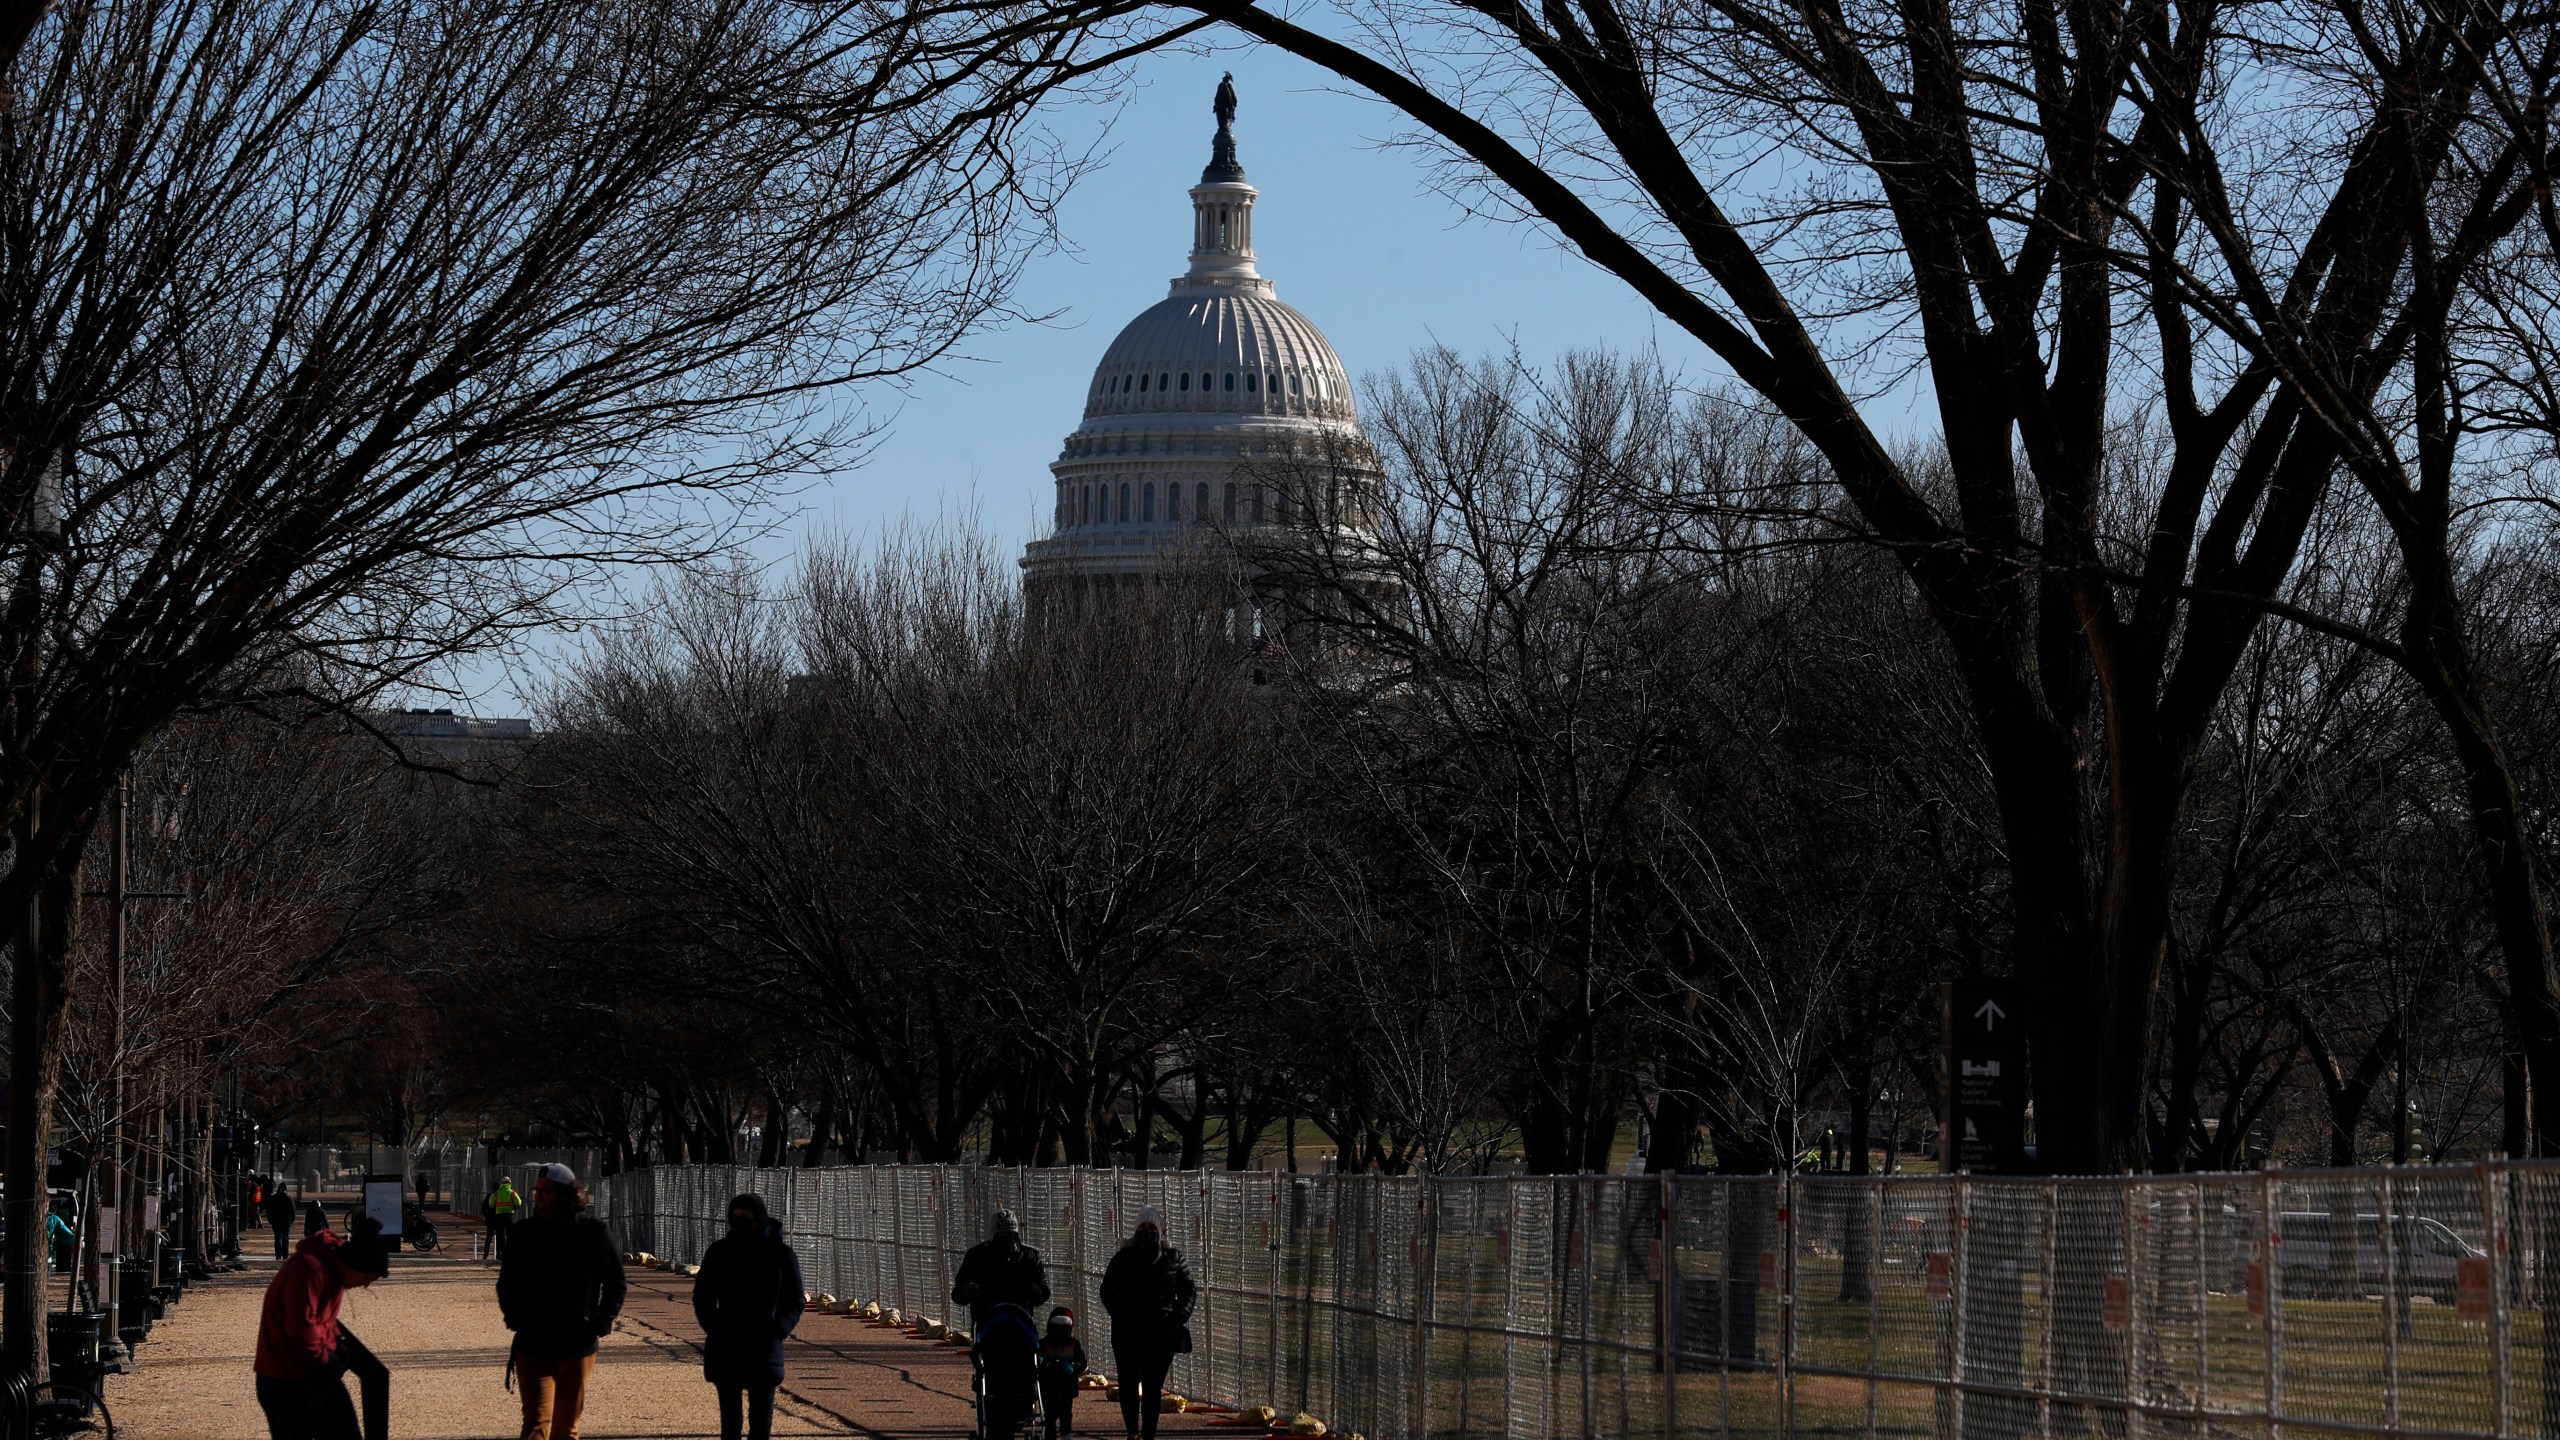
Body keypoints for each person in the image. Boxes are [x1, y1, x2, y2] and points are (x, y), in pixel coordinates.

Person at [497, 1163, 626, 1440]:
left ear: (568, 1195)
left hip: (578, 1345)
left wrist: (602, 1321)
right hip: (534, 1343)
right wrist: (515, 1317)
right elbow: (507, 1282)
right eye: (537, 1191)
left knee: (567, 1429)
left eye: (547, 1192)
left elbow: (616, 1282)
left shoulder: (594, 1234)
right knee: (536, 1423)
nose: (539, 1198)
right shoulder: (524, 1234)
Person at [253, 1217, 393, 1440]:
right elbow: (301, 1328)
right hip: (284, 1378)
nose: (365, 1285)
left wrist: (337, 1350)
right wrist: (328, 1359)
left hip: (314, 1372)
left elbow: (324, 1323)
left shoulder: (334, 1273)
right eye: (367, 1278)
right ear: (355, 1263)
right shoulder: (308, 1269)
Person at [690, 1193, 804, 1440]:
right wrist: (714, 1326)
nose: (739, 1221)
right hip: (726, 1343)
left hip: (764, 1345)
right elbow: (703, 1295)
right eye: (735, 1217)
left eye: (746, 1217)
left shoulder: (780, 1255)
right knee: (730, 1424)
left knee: (760, 1424)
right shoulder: (720, 1252)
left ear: (759, 1218)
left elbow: (795, 1300)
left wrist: (778, 1329)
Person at [1097, 1207, 1193, 1440]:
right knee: (1129, 1386)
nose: (1147, 1233)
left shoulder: (1174, 1258)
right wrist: (1121, 1317)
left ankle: (1148, 1434)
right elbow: (1107, 1291)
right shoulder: (1123, 1258)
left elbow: (1188, 1290)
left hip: (1162, 1333)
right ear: (1135, 1231)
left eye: (1151, 1228)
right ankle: (1132, 1431)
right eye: (1142, 1228)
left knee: (1153, 1387)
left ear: (1160, 1231)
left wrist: (1177, 1317)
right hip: (1128, 1334)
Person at [951, 1208, 1049, 1332]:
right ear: (993, 1235)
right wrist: (967, 1290)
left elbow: (1044, 1291)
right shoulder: (977, 1255)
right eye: (1002, 1236)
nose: (1007, 1239)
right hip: (986, 1323)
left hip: (1020, 1322)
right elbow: (957, 1293)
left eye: (1011, 1235)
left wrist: (1035, 1290)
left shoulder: (1029, 1255)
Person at [1037, 1308, 1087, 1440]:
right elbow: (1037, 1359)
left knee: (1066, 1414)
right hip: (1049, 1385)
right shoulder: (1044, 1343)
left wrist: (1073, 1366)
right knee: (1050, 1414)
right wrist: (1043, 1362)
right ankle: (1050, 1436)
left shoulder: (1074, 1344)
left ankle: (1066, 1434)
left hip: (1066, 1386)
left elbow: (1082, 1362)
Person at [487, 1175, 524, 1260]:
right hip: (509, 1215)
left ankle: (503, 1254)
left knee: (501, 1235)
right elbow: (518, 1203)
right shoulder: (512, 1192)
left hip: (499, 1216)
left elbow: (491, 1204)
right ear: (510, 1183)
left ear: (501, 1183)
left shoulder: (496, 1193)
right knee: (510, 1234)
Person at [265, 1181, 299, 1260]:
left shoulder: (273, 1198)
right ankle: (285, 1254)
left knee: (277, 1238)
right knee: (285, 1238)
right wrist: (291, 1220)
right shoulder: (289, 1199)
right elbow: (293, 1211)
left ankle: (278, 1255)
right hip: (286, 1221)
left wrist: (270, 1220)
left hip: (276, 1220)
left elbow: (269, 1210)